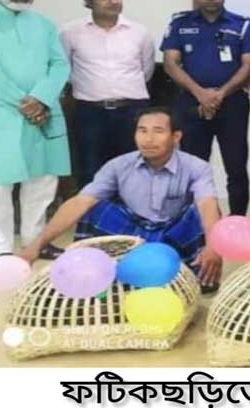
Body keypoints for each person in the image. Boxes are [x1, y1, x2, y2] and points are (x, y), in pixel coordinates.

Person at [19, 107, 223, 293]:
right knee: (94, 207)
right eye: (142, 131)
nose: (148, 139)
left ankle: (199, 273)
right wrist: (37, 245)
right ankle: (93, 272)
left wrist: (213, 247)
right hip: (132, 233)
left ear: (176, 136)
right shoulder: (118, 165)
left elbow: (207, 204)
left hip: (173, 234)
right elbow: (79, 202)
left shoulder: (197, 167)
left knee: (199, 214)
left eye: (158, 131)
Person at [0, 0, 70, 261]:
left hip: (43, 113)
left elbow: (59, 65)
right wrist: (26, 103)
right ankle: (0, 249)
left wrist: (42, 99)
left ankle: (36, 242)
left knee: (42, 181)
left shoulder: (44, 24)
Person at [162, 0, 250, 217]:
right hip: (191, 105)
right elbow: (170, 63)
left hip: (232, 104)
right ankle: (196, 222)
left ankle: (237, 223)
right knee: (192, 167)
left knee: (236, 168)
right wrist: (200, 94)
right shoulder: (180, 24)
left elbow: (249, 64)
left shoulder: (241, 25)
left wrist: (219, 94)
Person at [60, 0, 156, 187]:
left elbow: (146, 70)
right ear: (88, 2)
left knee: (135, 169)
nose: (113, 1)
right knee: (91, 169)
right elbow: (64, 70)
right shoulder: (70, 32)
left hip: (132, 111)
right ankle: (94, 209)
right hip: (90, 112)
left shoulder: (139, 32)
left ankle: (131, 209)